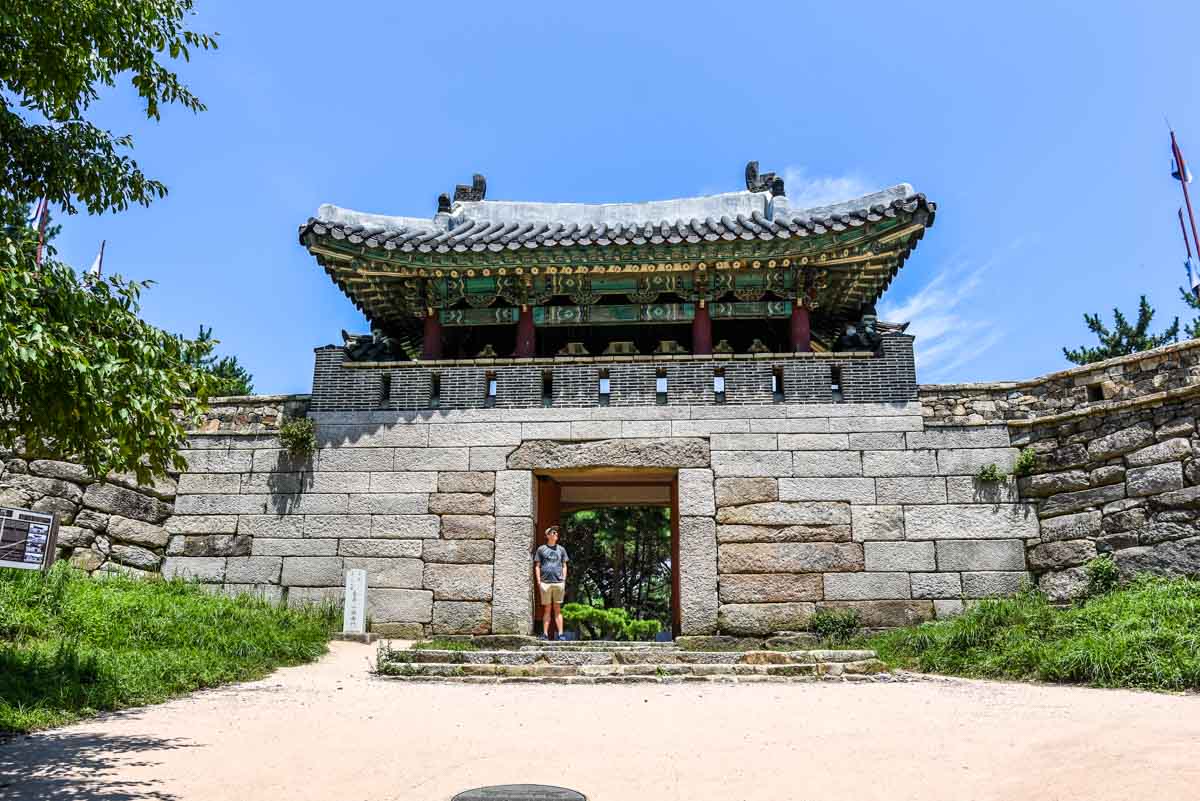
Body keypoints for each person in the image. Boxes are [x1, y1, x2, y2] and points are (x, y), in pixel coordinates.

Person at [533, 526, 569, 640]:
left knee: (558, 609)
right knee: (547, 609)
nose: (556, 534)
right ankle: (545, 634)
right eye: (553, 532)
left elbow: (564, 565)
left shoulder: (561, 549)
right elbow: (537, 566)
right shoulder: (541, 549)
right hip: (545, 583)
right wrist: (539, 581)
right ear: (548, 535)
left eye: (556, 532)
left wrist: (563, 579)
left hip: (558, 582)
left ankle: (561, 634)